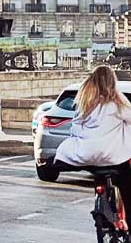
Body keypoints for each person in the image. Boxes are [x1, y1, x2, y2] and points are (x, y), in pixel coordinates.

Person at [55, 65, 131, 231]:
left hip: (88, 156)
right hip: (113, 158)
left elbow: (74, 128)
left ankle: (103, 210)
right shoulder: (118, 103)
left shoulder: (85, 103)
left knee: (99, 174)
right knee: (127, 188)